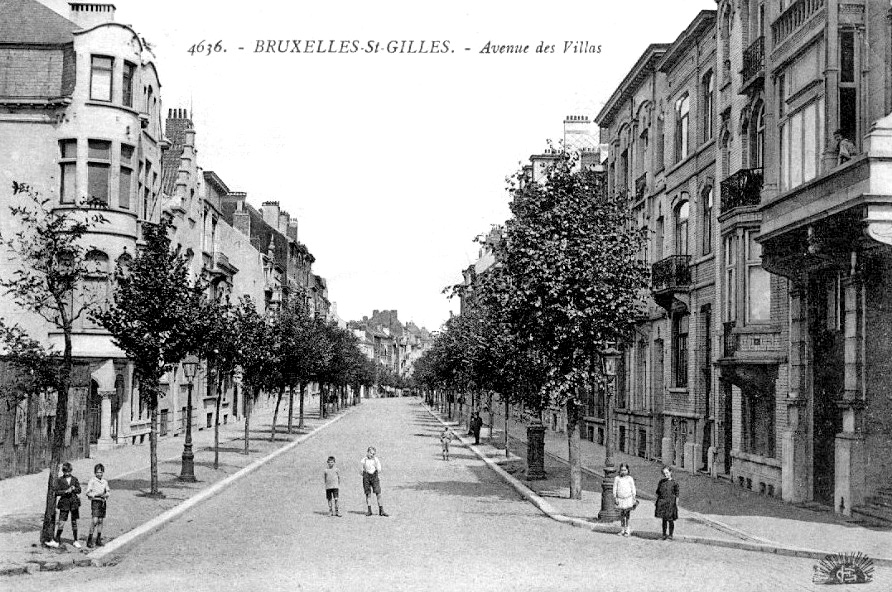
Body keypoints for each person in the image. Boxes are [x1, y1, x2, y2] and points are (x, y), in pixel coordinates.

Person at [46, 462, 81, 548]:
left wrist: (74, 489)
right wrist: (65, 491)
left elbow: (79, 490)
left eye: (68, 471)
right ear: (63, 471)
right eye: (65, 471)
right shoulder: (60, 480)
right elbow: (57, 492)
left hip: (74, 503)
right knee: (61, 522)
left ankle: (76, 540)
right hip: (64, 503)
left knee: (74, 522)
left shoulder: (75, 479)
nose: (67, 473)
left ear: (71, 471)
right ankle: (57, 540)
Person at [85, 463, 110, 548]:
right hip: (95, 501)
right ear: (95, 473)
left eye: (101, 472)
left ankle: (98, 538)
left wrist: (105, 495)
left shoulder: (104, 481)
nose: (99, 474)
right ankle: (89, 539)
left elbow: (108, 491)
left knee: (100, 521)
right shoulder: (92, 481)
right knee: (94, 520)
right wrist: (94, 495)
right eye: (97, 472)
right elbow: (87, 492)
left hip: (102, 502)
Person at [360, 447, 388, 517]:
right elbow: (360, 470)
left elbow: (379, 469)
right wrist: (364, 473)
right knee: (368, 493)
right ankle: (369, 510)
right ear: (367, 452)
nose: (372, 455)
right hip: (366, 477)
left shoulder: (376, 460)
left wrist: (376, 468)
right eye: (370, 453)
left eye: (373, 454)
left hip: (374, 477)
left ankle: (381, 510)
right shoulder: (364, 460)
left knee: (378, 493)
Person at [655, 466, 680, 540]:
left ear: (670, 472)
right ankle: (664, 534)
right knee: (664, 519)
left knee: (670, 520)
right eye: (664, 473)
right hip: (663, 503)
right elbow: (658, 492)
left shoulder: (674, 483)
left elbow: (677, 495)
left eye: (667, 473)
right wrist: (657, 502)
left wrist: (676, 505)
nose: (666, 474)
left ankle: (670, 535)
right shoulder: (661, 482)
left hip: (671, 503)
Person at [613, 463, 637, 537]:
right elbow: (615, 488)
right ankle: (622, 529)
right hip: (620, 499)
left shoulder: (630, 478)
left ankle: (627, 529)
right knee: (622, 515)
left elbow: (633, 488)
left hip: (628, 499)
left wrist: (634, 497)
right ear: (619, 471)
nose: (623, 472)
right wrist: (615, 497)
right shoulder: (617, 478)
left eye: (625, 470)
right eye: (622, 470)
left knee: (627, 514)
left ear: (628, 470)